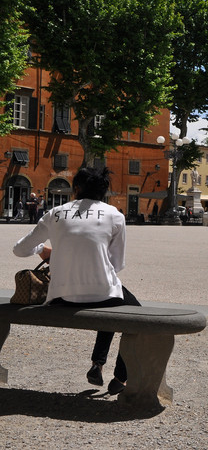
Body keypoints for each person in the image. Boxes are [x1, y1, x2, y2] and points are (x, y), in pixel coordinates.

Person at [12, 167, 140, 396]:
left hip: (61, 297)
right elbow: (117, 264)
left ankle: (98, 364)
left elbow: (19, 250)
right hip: (104, 296)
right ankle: (120, 377)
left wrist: (43, 249)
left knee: (110, 297)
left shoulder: (55, 213)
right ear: (104, 190)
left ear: (77, 188)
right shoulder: (114, 215)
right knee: (130, 310)